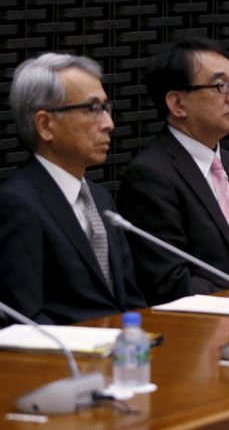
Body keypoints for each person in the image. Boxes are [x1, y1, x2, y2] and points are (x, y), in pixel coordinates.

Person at [117, 37, 229, 304]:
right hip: (219, 316)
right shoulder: (150, 176)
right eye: (220, 86)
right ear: (178, 104)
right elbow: (170, 282)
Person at [0, 53, 146, 324]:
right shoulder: (18, 205)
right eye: (92, 109)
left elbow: (129, 298)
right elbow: (26, 317)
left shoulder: (101, 199)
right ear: (45, 125)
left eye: (106, 107)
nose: (109, 124)